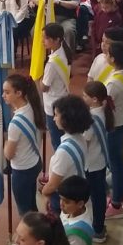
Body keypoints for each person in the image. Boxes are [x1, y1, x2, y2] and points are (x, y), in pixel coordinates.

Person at [3, 73, 46, 245]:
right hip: (35, 162)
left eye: (7, 92)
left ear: (18, 93)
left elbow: (8, 154)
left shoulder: (15, 123)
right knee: (30, 203)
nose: (3, 95)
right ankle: (39, 233)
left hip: (22, 169)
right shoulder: (32, 108)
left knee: (24, 209)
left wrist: (4, 144)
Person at [40, 94, 92, 214]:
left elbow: (53, 184)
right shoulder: (80, 138)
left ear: (67, 118)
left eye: (56, 115)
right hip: (75, 189)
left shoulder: (63, 151)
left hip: (63, 198)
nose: (54, 119)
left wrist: (44, 192)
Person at [102, 42, 123, 218]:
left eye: (107, 54)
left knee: (114, 165)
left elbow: (105, 107)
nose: (105, 56)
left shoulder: (113, 84)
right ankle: (121, 197)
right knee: (118, 162)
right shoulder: (122, 74)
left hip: (116, 126)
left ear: (113, 58)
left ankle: (116, 204)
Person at [79, 82, 112, 244]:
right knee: (98, 195)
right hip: (98, 161)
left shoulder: (92, 119)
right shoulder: (101, 112)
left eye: (85, 96)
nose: (82, 98)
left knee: (97, 197)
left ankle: (98, 229)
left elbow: (84, 140)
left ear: (94, 99)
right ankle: (99, 225)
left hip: (92, 164)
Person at [38, 22, 73, 150]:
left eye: (46, 38)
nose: (43, 41)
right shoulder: (64, 50)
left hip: (52, 104)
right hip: (62, 97)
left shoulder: (52, 62)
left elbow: (44, 87)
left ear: (57, 39)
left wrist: (39, 78)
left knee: (56, 140)